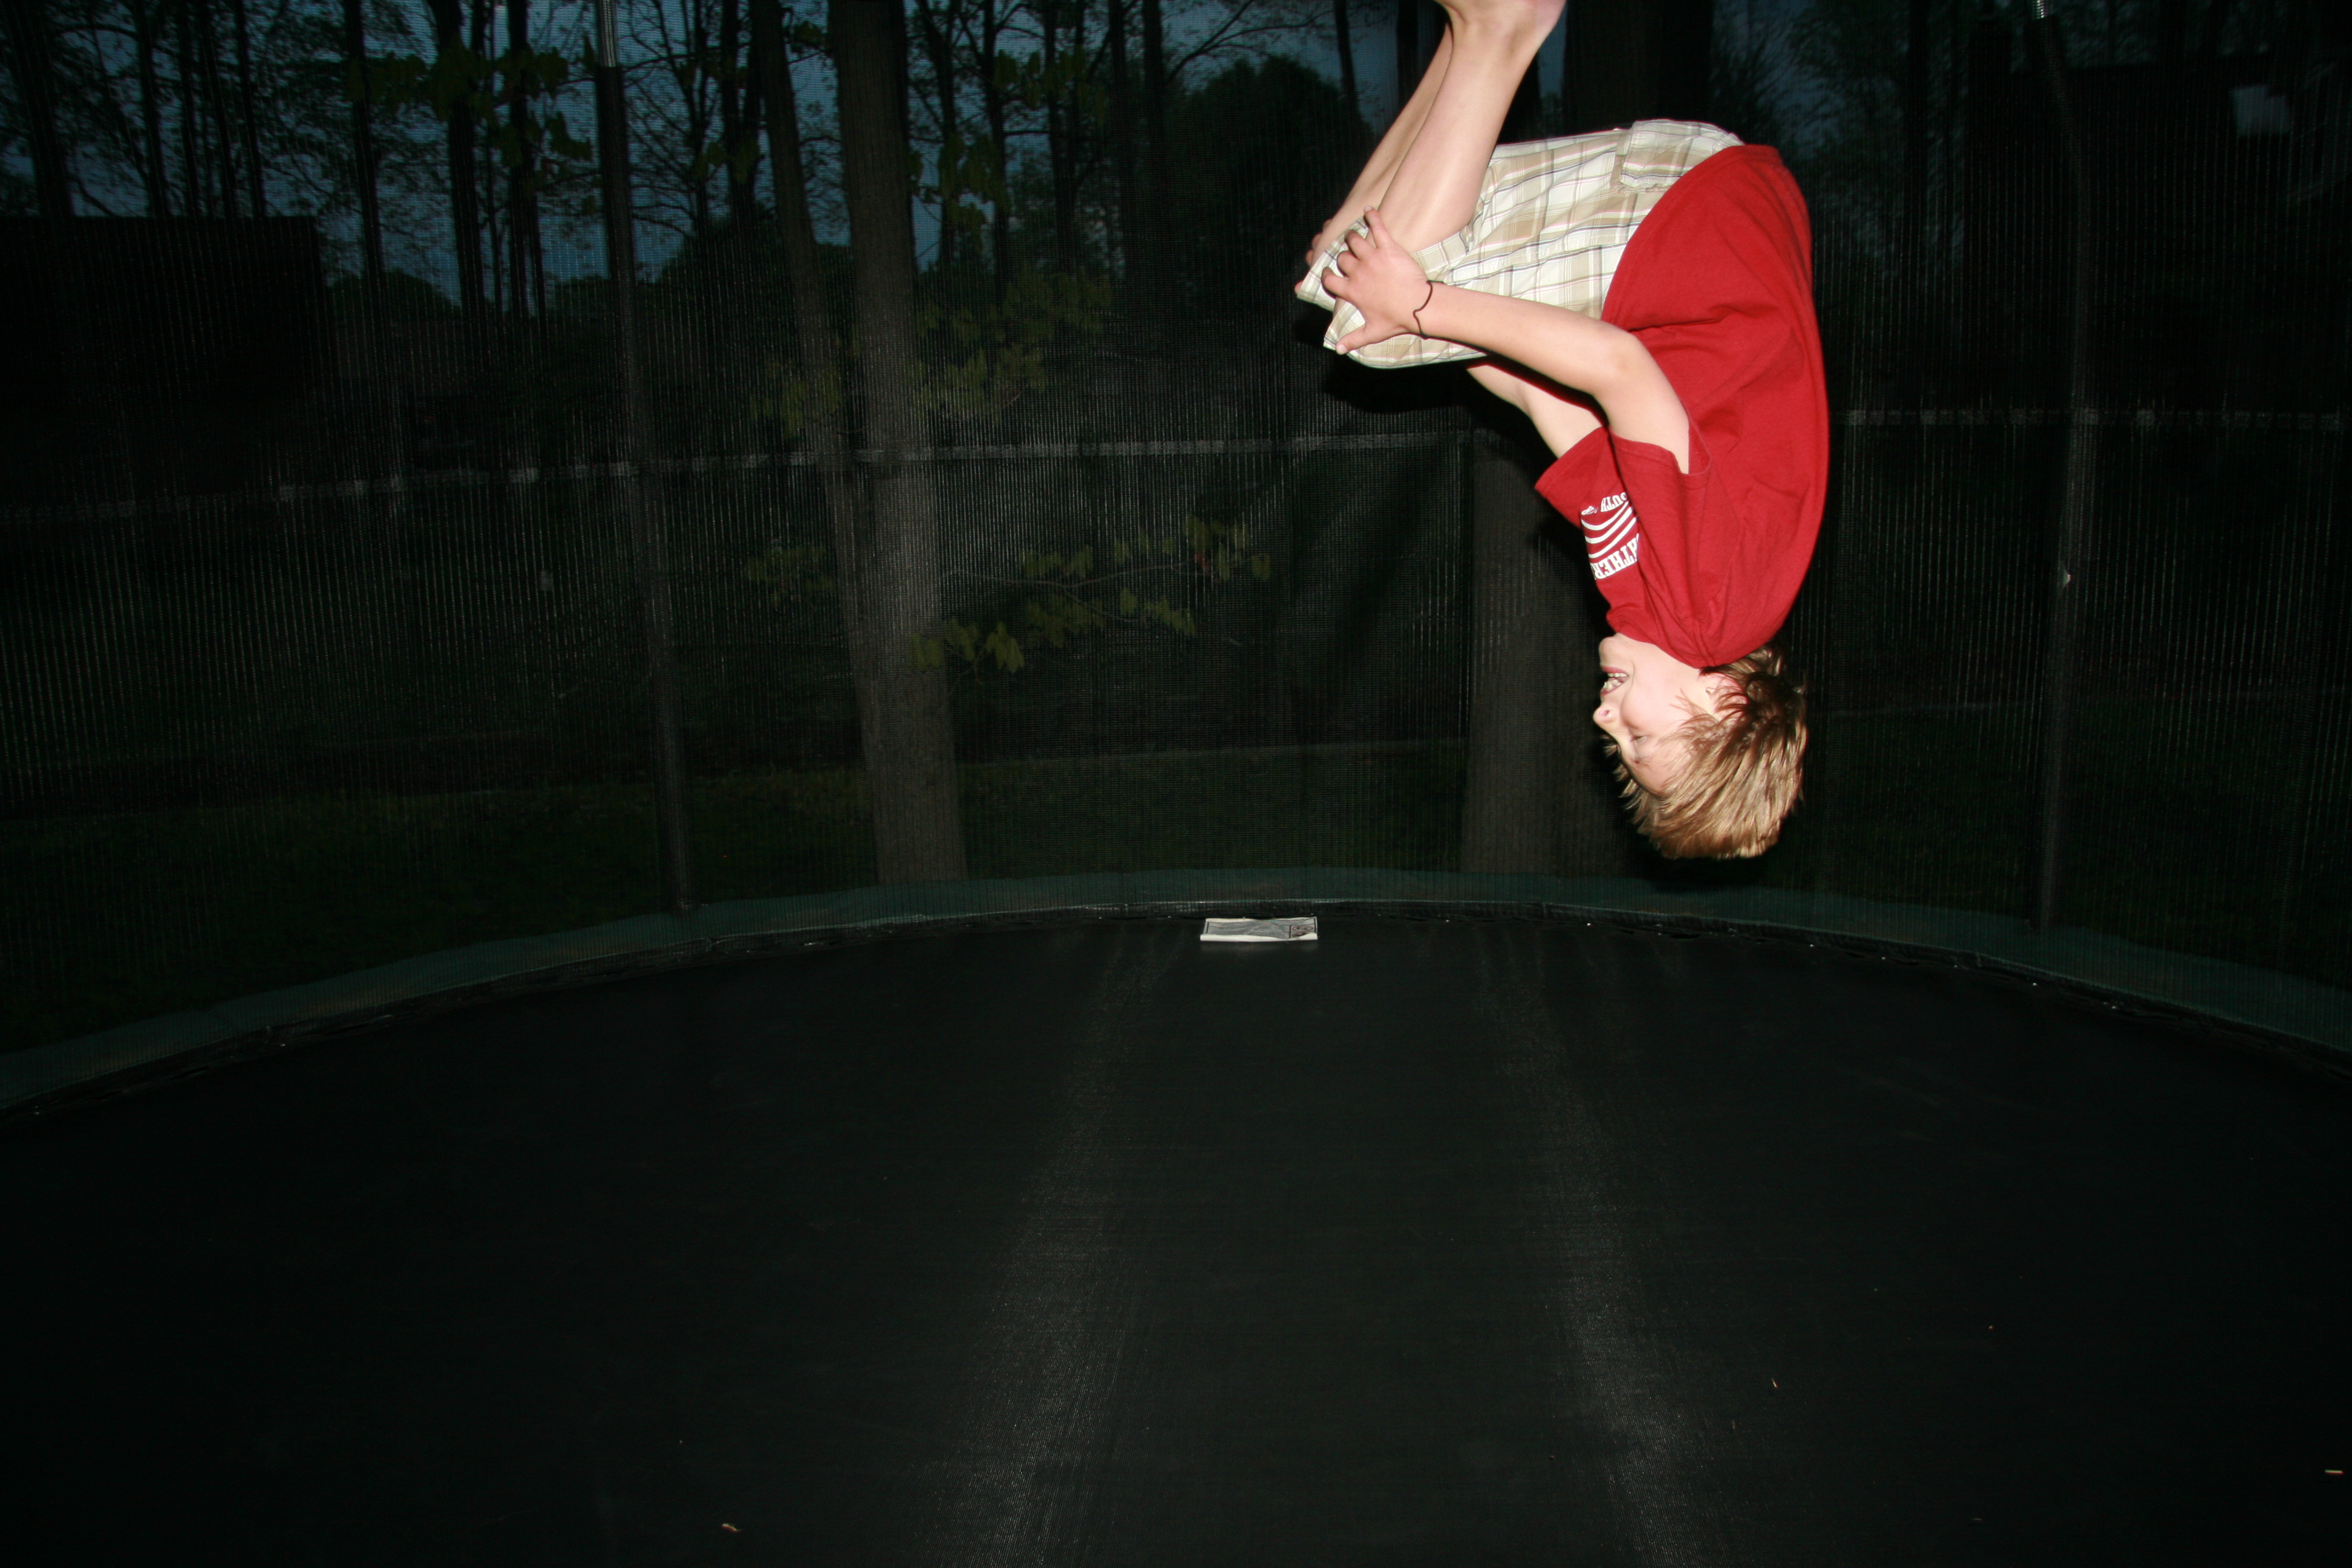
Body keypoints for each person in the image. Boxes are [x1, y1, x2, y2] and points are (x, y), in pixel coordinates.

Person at [1296, 0, 1826, 858]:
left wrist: (1416, 317)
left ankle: (1466, 36)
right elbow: (1619, 367)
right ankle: (1502, 26)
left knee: (1354, 285)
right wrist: (1422, 306)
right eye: (1641, 736)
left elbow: (1556, 409)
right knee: (1388, 304)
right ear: (1725, 704)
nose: (1605, 721)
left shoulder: (1647, 605)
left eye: (1617, 746)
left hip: (1690, 237)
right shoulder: (1712, 610)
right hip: (1693, 227)